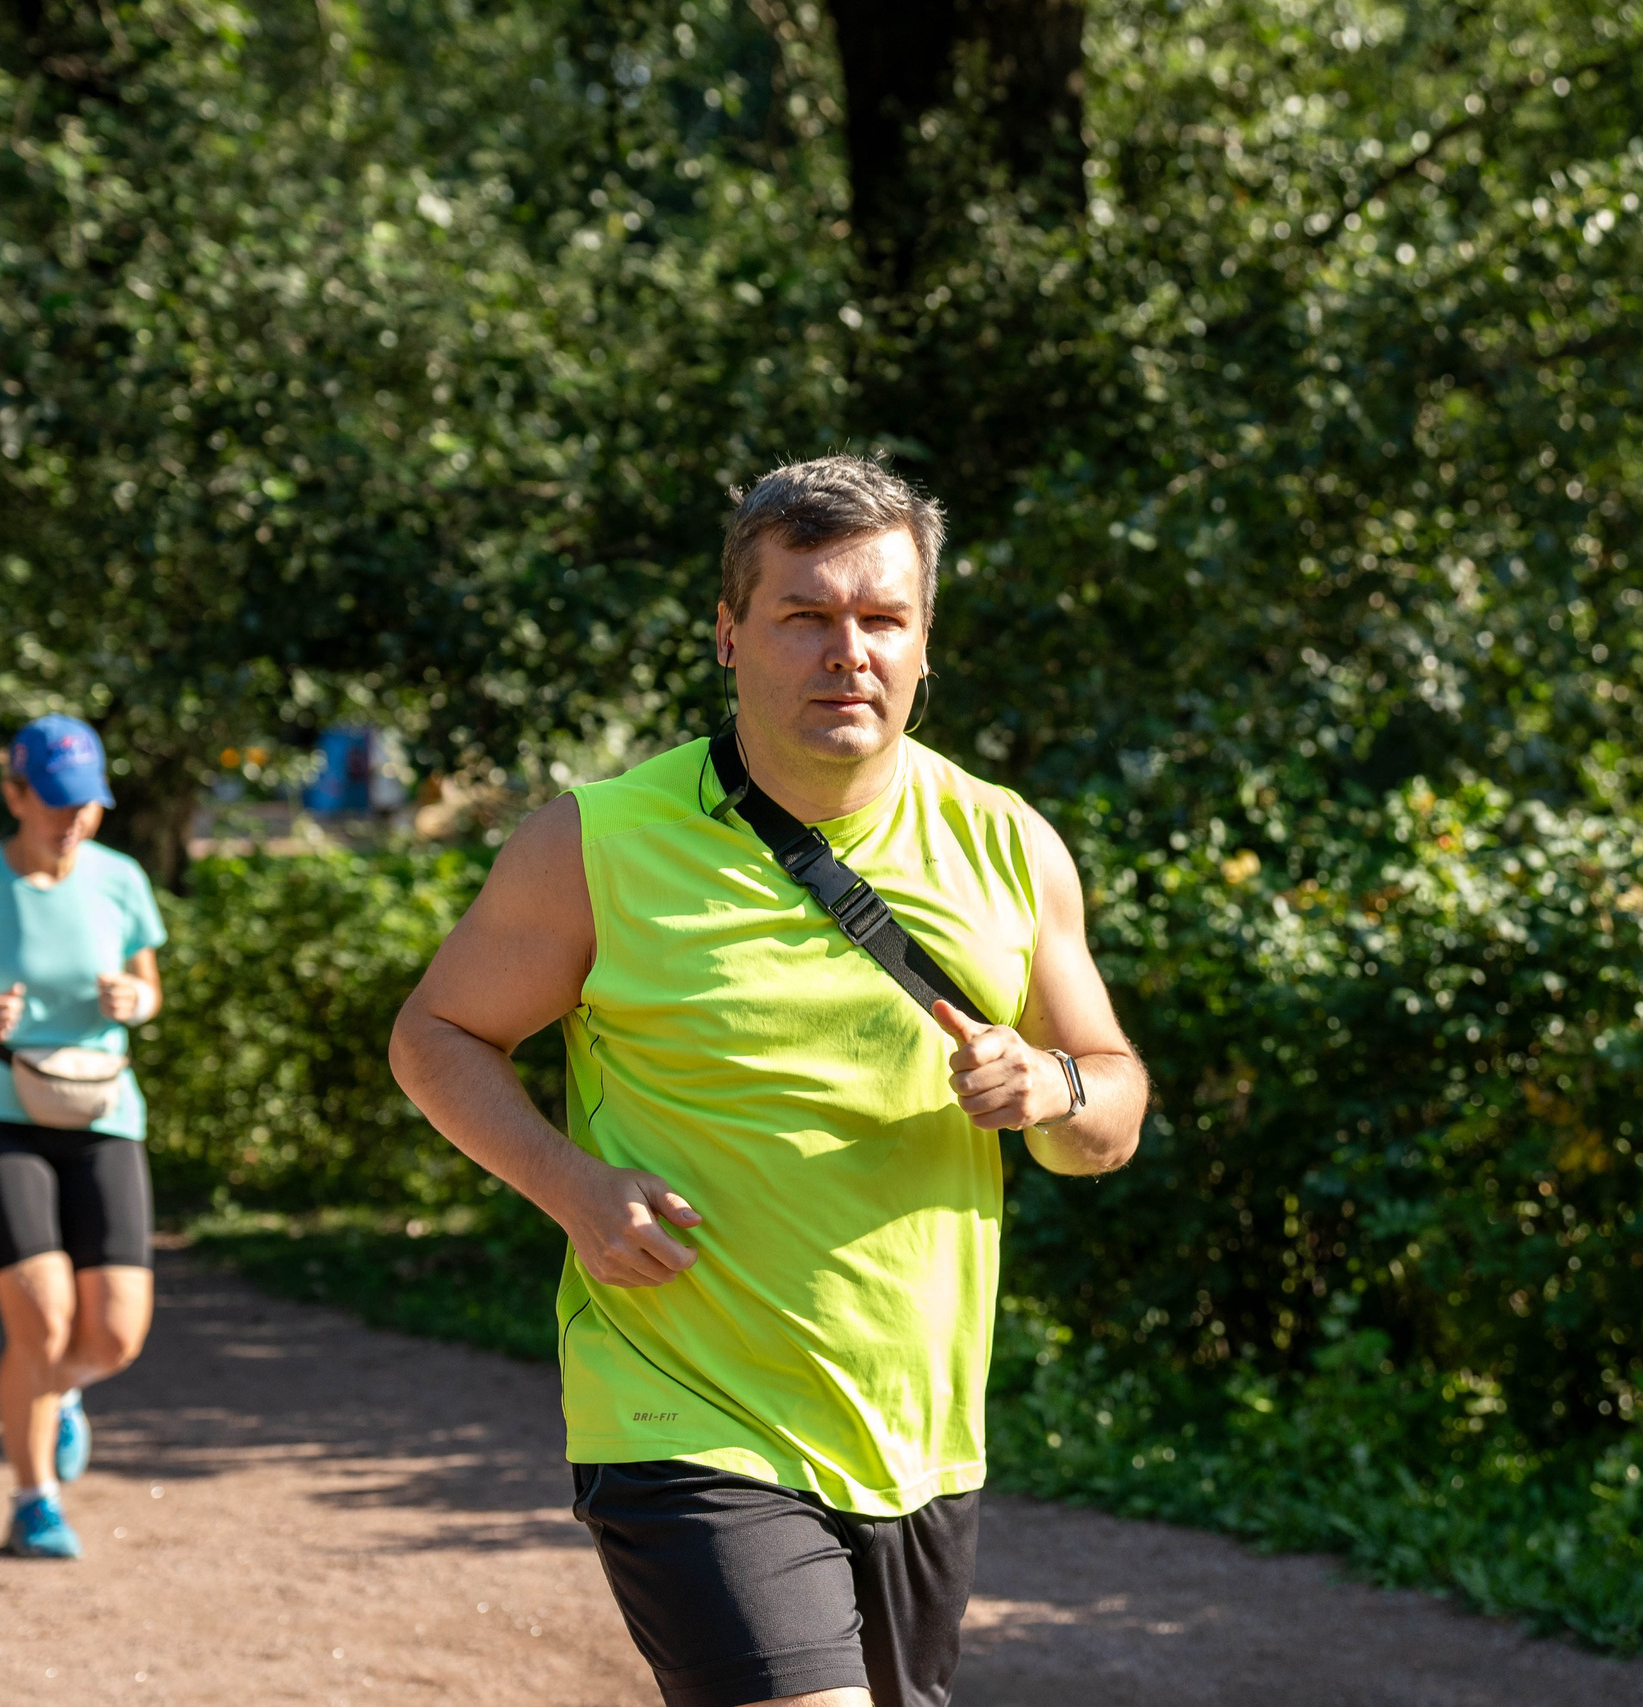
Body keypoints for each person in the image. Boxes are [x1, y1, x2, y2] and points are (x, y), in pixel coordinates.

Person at [390, 456, 1150, 1707]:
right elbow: (436, 1035)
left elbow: (1107, 1116)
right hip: (680, 1411)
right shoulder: (597, 841)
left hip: (914, 1435)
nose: (844, 652)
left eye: (880, 619)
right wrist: (570, 1185)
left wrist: (1054, 1089)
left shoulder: (1009, 844)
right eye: (804, 616)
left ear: (922, 644)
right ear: (731, 637)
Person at [0, 715, 164, 1561]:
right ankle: (32, 1497)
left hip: (103, 1113)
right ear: (14, 794)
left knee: (115, 1334)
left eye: (87, 804)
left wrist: (136, 1003)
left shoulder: (122, 881)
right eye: (53, 802)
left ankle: (64, 1395)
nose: (72, 819)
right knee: (42, 1320)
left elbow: (151, 988)